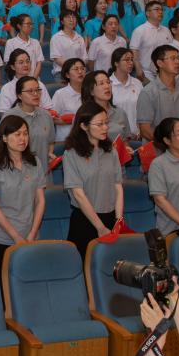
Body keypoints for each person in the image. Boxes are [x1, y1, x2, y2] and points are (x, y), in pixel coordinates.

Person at [0, 115, 45, 270]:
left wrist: (32, 234)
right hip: (2, 238)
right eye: (17, 134)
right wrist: (16, 237)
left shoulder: (35, 163)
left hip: (30, 235)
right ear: (4, 138)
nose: (22, 138)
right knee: (3, 280)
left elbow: (40, 201)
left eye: (25, 133)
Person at [63, 102, 124, 256]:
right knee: (86, 264)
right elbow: (78, 194)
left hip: (111, 217)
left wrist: (118, 220)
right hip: (85, 220)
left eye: (106, 123)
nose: (105, 128)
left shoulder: (111, 150)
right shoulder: (71, 154)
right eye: (99, 124)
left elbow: (118, 186)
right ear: (84, 126)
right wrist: (100, 227)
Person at [136, 45, 179, 142]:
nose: (178, 62)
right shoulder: (148, 92)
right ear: (160, 63)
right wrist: (171, 146)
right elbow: (145, 130)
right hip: (159, 148)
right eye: (173, 58)